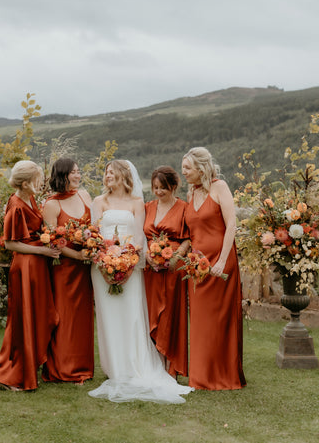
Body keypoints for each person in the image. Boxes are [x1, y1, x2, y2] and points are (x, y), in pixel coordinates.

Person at [89, 159, 193, 403]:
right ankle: (115, 369)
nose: (108, 176)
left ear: (125, 175)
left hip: (131, 266)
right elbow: (93, 236)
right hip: (102, 267)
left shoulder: (137, 203)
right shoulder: (98, 202)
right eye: (106, 173)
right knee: (109, 317)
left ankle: (136, 365)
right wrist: (104, 262)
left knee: (133, 316)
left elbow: (139, 237)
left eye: (112, 172)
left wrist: (126, 262)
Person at [182, 147, 246, 390]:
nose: (184, 172)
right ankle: (200, 377)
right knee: (200, 321)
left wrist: (221, 260)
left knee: (219, 320)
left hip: (221, 263)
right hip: (197, 266)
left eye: (187, 168)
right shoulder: (191, 193)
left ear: (201, 168)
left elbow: (231, 225)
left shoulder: (220, 187)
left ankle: (223, 375)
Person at [0, 160, 59, 391]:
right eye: (37, 180)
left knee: (39, 316)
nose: (40, 184)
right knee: (23, 320)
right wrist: (42, 250)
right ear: (25, 182)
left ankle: (27, 367)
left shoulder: (29, 199)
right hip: (25, 268)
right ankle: (10, 376)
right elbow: (10, 244)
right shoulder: (16, 204)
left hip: (36, 266)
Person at [42, 157, 94, 384]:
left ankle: (83, 367)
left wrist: (92, 249)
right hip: (63, 269)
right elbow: (53, 241)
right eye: (73, 172)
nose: (78, 175)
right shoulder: (51, 204)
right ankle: (62, 369)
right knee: (64, 318)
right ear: (62, 175)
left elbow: (95, 228)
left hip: (85, 269)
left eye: (78, 171)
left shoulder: (85, 196)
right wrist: (77, 255)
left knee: (83, 318)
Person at [143, 166, 189, 378]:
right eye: (155, 187)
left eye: (163, 188)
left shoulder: (183, 208)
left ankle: (171, 366)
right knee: (152, 315)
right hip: (150, 269)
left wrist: (176, 257)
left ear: (173, 186)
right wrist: (148, 256)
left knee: (170, 315)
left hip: (173, 268)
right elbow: (141, 236)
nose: (159, 192)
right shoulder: (147, 207)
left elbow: (188, 238)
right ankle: (154, 364)